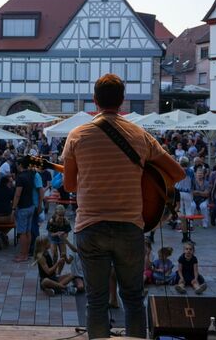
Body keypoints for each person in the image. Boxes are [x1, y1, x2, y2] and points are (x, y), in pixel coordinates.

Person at [62, 73, 184, 339]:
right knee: (132, 299)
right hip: (130, 226)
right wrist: (146, 180)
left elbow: (70, 186)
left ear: (94, 101)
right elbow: (177, 173)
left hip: (90, 227)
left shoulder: (77, 135)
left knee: (96, 300)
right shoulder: (141, 135)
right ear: (123, 101)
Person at [12, 158, 36, 262]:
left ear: (20, 165)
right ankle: (27, 253)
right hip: (31, 205)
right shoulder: (31, 174)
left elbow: (17, 194)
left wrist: (13, 208)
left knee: (22, 232)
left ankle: (23, 255)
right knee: (28, 231)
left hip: (23, 208)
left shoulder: (20, 177)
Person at [46, 204, 73, 273]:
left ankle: (59, 272)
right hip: (53, 238)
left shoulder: (66, 221)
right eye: (60, 215)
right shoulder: (51, 221)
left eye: (63, 215)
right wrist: (57, 233)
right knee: (55, 255)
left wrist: (64, 235)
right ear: (56, 213)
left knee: (63, 256)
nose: (61, 217)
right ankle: (54, 270)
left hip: (61, 239)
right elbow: (50, 234)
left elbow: (67, 234)